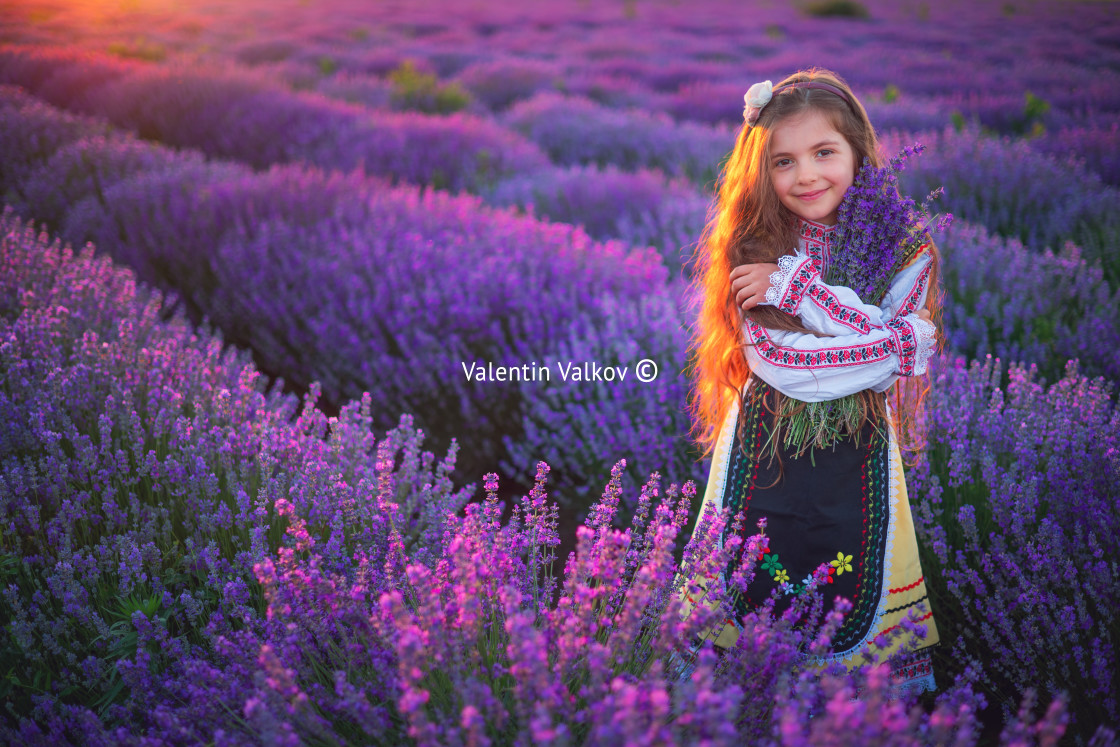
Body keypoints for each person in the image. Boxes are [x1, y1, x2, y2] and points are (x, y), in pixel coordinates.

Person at [681, 68, 940, 694]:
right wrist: (897, 340)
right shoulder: (756, 242)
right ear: (760, 171)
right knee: (749, 574)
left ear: (858, 149)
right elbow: (785, 365)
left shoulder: (905, 244)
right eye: (782, 162)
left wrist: (802, 293)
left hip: (864, 454)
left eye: (825, 152)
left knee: (859, 587)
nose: (806, 176)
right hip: (762, 445)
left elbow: (892, 344)